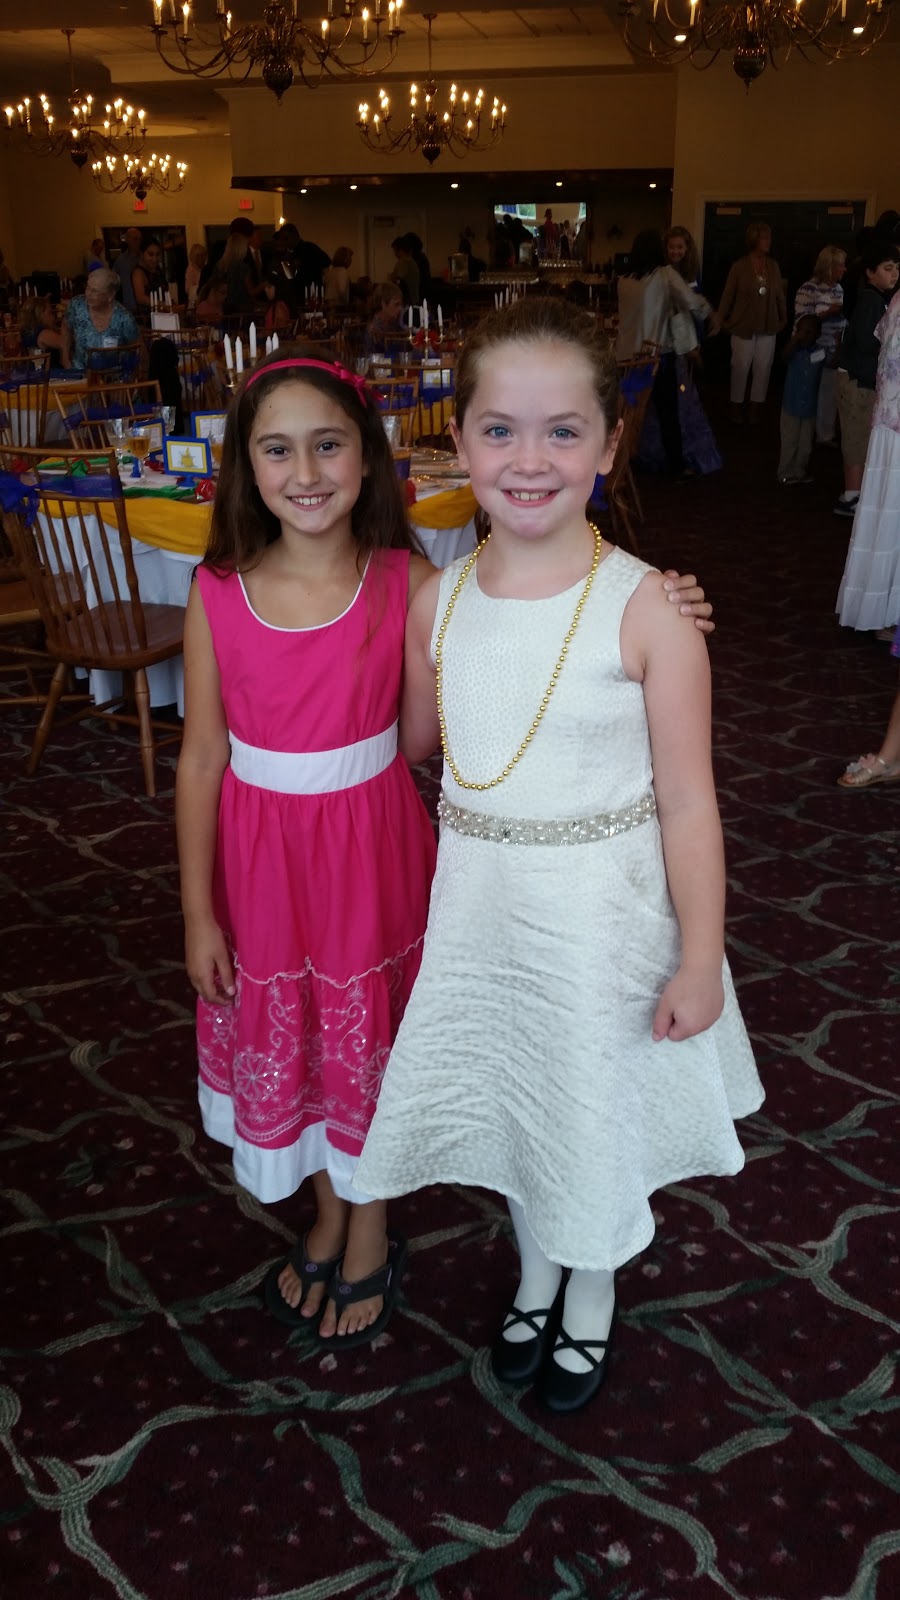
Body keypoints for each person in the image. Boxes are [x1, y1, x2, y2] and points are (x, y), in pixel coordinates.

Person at [355, 297, 762, 1415]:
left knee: (588, 1103)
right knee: (522, 1097)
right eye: (499, 430)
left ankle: (592, 1286)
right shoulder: (438, 602)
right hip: (484, 912)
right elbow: (418, 742)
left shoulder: (649, 608)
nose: (529, 460)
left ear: (609, 444)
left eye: (563, 432)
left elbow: (689, 801)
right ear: (458, 437)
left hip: (601, 918)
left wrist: (701, 959)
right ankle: (538, 1269)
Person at [174, 348, 438, 1350]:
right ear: (247, 466)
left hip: (371, 854)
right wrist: (198, 912)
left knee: (362, 1049)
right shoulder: (217, 590)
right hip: (262, 869)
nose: (307, 471)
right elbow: (202, 757)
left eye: (328, 445)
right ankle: (329, 1208)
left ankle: (367, 1224)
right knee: (311, 1051)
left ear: (366, 457)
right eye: (278, 449)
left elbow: (422, 738)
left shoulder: (407, 582)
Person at [616, 230, 719, 480]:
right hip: (656, 356)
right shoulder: (664, 275)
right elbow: (691, 301)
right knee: (667, 413)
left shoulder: (623, 280)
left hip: (627, 358)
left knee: (630, 414)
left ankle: (626, 460)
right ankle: (676, 467)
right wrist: (711, 314)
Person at [836, 280, 900, 634]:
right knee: (890, 526)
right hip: (895, 430)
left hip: (890, 425)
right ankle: (884, 616)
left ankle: (882, 614)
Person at [833, 240, 900, 520]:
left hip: (862, 380)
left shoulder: (878, 298)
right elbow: (864, 341)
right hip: (856, 381)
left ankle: (856, 492)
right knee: (855, 436)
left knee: (860, 435)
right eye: (887, 268)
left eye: (897, 268)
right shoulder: (870, 300)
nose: (894, 274)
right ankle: (851, 495)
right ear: (870, 272)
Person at [718, 220, 787, 424]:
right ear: (754, 240)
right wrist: (720, 319)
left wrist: (783, 318)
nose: (768, 241)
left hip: (768, 326)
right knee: (740, 367)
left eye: (769, 237)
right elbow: (728, 295)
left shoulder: (773, 266)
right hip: (742, 326)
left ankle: (755, 409)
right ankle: (736, 408)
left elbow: (779, 295)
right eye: (764, 238)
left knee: (763, 369)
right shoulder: (739, 266)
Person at [792, 246, 847, 445]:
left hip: (833, 349)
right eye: (841, 265)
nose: (844, 269)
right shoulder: (809, 288)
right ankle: (802, 436)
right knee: (808, 392)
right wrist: (828, 312)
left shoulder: (839, 289)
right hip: (811, 351)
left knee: (828, 395)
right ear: (829, 266)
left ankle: (825, 435)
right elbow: (802, 320)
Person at [777, 314, 825, 485]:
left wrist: (839, 345)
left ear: (817, 334)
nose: (803, 335)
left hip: (809, 408)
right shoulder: (793, 350)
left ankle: (799, 470)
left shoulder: (819, 352)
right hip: (791, 406)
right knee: (789, 442)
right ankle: (785, 472)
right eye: (801, 331)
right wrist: (794, 340)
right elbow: (783, 357)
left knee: (806, 445)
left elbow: (832, 363)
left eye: (808, 332)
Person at [61, 268, 138, 371]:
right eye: (88, 287)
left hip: (112, 376)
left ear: (110, 295)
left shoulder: (124, 318)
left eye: (95, 291)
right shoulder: (76, 306)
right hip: (79, 372)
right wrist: (66, 360)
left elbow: (137, 348)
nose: (88, 294)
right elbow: (65, 328)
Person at [17, 295, 65, 368]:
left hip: (32, 371)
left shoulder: (25, 331)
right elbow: (66, 343)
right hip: (51, 372)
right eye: (50, 313)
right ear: (40, 314)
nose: (53, 317)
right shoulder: (43, 333)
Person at [131, 236, 168, 315]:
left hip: (163, 315)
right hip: (148, 318)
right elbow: (140, 298)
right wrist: (164, 304)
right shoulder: (138, 272)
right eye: (150, 254)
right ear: (141, 254)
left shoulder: (158, 270)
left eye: (157, 255)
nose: (155, 259)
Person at [113, 227, 144, 311]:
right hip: (127, 306)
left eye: (139, 239)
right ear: (127, 240)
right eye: (135, 238)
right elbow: (113, 282)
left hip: (145, 306)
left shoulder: (144, 258)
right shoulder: (120, 260)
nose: (138, 242)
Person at [390, 236, 419, 306]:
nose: (394, 254)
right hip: (415, 299)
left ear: (400, 250)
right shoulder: (413, 262)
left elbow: (398, 281)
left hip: (407, 302)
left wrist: (392, 278)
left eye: (395, 251)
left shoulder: (404, 263)